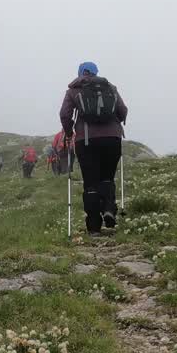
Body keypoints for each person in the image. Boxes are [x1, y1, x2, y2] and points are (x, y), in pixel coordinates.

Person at [59, 61, 128, 235]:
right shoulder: (110, 87)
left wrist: (68, 132)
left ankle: (94, 227)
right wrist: (115, 124)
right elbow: (123, 110)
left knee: (90, 182)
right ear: (96, 72)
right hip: (112, 139)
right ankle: (109, 210)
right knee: (107, 177)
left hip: (86, 141)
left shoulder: (73, 90)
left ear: (80, 73)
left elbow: (65, 115)